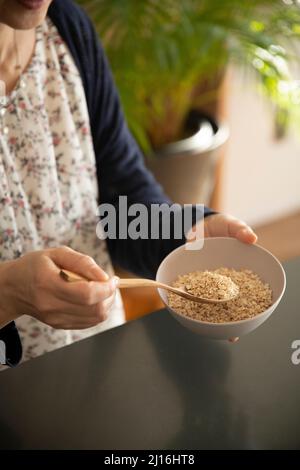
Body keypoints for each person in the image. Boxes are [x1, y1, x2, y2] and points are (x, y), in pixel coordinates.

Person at [0, 0, 257, 368]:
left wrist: (184, 236)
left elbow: (118, 201)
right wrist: (8, 293)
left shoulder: (66, 31)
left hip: (93, 360)